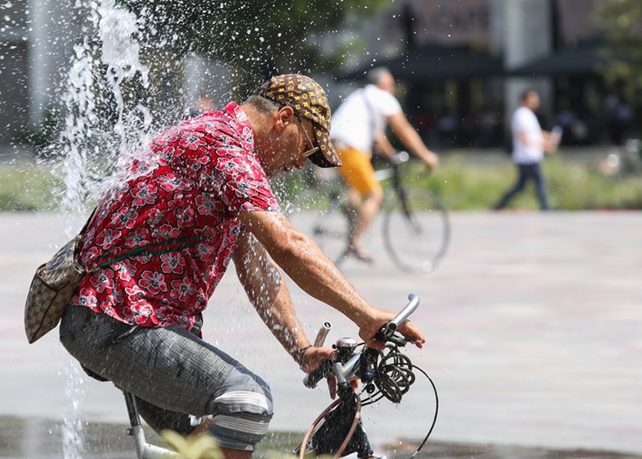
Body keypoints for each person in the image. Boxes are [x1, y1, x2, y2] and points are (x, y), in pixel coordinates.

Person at [57, 74, 426, 459]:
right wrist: (365, 315)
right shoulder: (224, 144)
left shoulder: (230, 154)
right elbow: (288, 245)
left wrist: (302, 350)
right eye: (305, 146)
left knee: (211, 439)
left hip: (140, 323)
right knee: (247, 403)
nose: (300, 163)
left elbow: (259, 269)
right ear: (283, 118)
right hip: (118, 319)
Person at [329, 67, 439, 263]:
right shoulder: (383, 97)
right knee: (374, 194)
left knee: (355, 193)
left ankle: (351, 220)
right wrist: (425, 155)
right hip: (350, 149)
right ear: (382, 84)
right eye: (391, 84)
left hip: (334, 146)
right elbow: (403, 129)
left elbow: (378, 138)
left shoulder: (362, 95)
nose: (393, 88)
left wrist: (392, 155)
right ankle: (355, 242)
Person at [493, 89, 559, 211]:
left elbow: (535, 133)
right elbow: (524, 137)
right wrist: (544, 146)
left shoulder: (528, 115)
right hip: (526, 157)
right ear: (525, 100)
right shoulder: (521, 115)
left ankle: (499, 205)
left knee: (520, 186)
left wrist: (549, 137)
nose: (537, 101)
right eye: (533, 98)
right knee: (540, 182)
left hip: (530, 156)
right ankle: (546, 208)